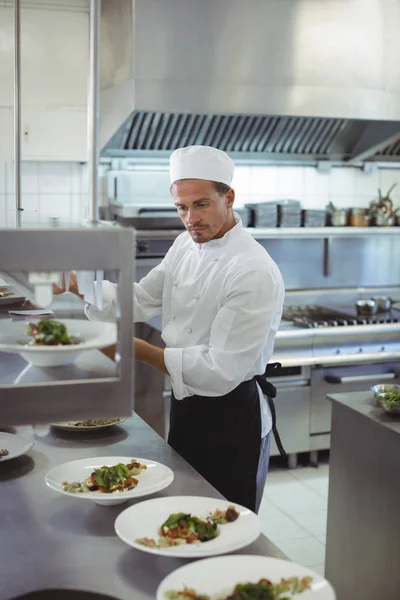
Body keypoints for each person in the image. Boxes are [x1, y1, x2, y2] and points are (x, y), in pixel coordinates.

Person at [59, 146, 285, 513]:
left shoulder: (252, 269)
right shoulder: (185, 244)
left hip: (232, 415)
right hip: (186, 404)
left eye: (201, 204)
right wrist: (76, 284)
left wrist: (131, 348)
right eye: (181, 207)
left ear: (228, 197)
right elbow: (142, 297)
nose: (190, 218)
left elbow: (219, 370)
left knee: (222, 522)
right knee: (183, 511)